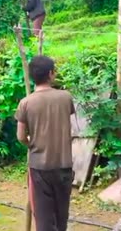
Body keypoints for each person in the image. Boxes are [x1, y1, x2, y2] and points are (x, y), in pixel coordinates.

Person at [14, 55, 75, 231]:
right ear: (51, 74)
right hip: (63, 165)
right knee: (61, 217)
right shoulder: (66, 97)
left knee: (43, 220)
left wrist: (31, 144)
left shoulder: (25, 103)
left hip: (39, 168)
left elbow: (20, 136)